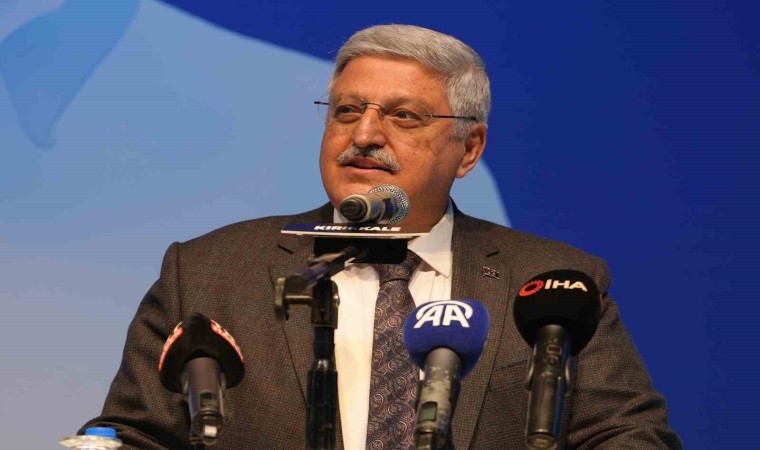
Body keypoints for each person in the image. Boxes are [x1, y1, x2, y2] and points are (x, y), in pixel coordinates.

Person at [82, 24, 681, 449]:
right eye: (347, 111)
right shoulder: (211, 270)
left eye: (403, 116)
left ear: (469, 149)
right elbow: (135, 435)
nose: (365, 134)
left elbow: (627, 436)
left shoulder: (551, 283)